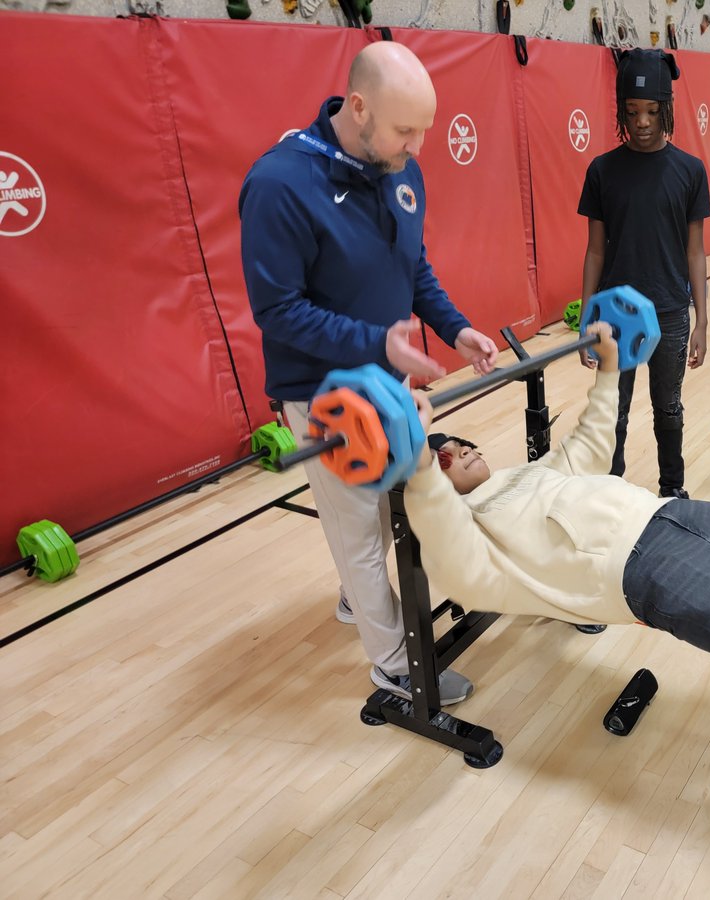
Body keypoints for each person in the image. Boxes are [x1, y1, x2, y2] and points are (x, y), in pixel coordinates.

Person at [402, 323, 710, 894]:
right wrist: (414, 457)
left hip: (674, 516)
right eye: (446, 455)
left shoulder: (527, 476)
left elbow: (590, 441)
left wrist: (609, 366)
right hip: (643, 571)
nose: (461, 450)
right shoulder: (470, 541)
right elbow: (448, 545)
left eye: (462, 442)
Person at [238, 42, 499, 703]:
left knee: (395, 505)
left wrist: (455, 326)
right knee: (357, 527)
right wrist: (379, 345)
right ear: (357, 108)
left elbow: (414, 267)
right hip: (323, 393)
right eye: (405, 129)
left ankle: (359, 601)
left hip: (390, 374)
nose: (416, 146)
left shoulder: (398, 167)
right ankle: (395, 664)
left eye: (423, 130)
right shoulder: (278, 186)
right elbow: (279, 313)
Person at [577, 48, 710, 500]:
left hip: (671, 311)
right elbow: (595, 251)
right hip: (616, 315)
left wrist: (703, 320)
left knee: (667, 406)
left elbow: (695, 252)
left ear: (667, 109)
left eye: (653, 111)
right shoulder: (602, 170)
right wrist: (585, 320)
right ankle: (611, 492)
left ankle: (672, 489)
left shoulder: (690, 171)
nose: (643, 121)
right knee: (613, 407)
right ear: (620, 111)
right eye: (632, 111)